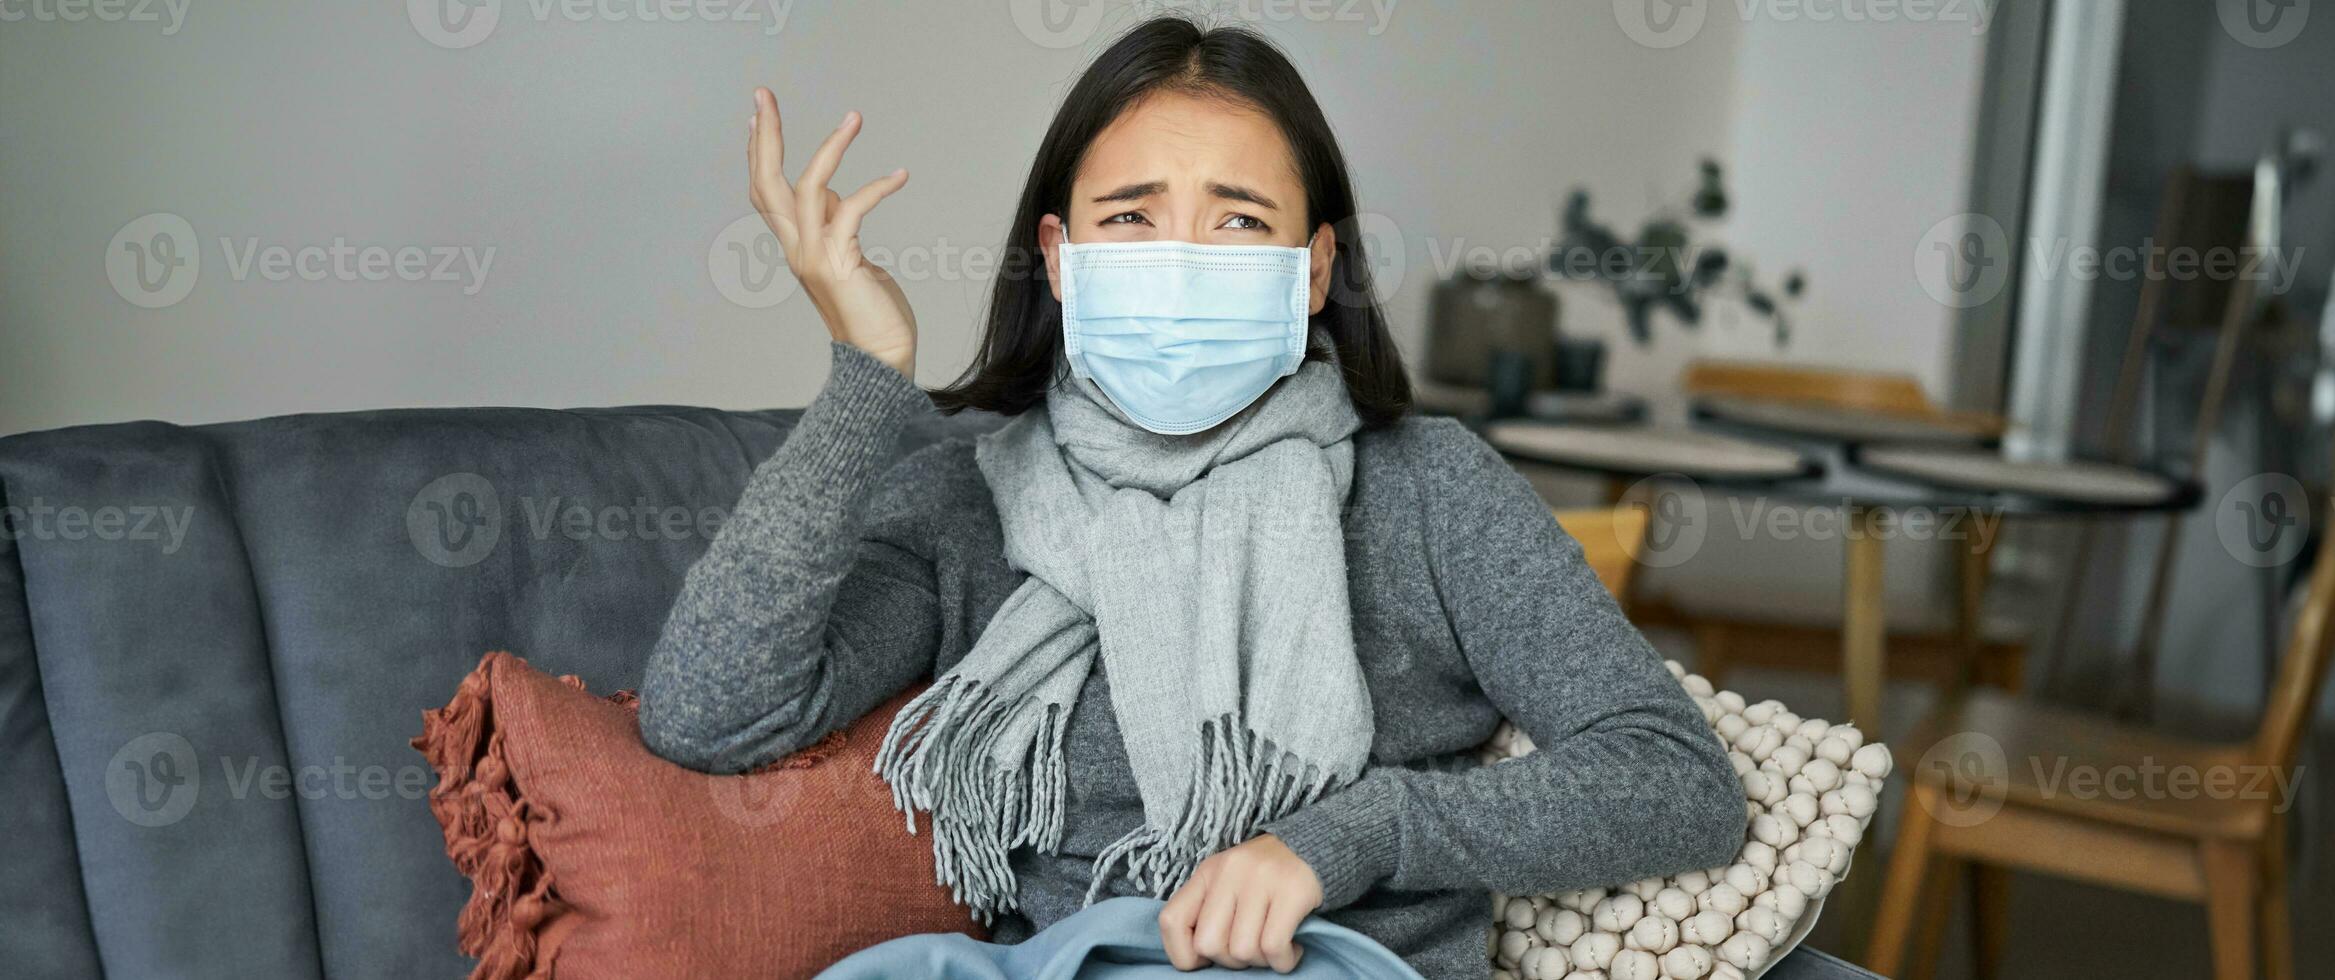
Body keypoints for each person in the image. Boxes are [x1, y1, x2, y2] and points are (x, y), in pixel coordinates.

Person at [640, 17, 1755, 978]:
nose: (1180, 259)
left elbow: (1671, 776)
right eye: (1129, 216)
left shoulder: (1428, 487)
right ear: (1061, 256)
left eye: (1235, 221)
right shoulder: (968, 502)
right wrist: (864, 379)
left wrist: (1350, 835)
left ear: (1311, 269)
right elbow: (709, 714)